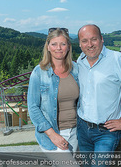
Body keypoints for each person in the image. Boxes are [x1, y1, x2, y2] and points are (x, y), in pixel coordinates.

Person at [76, 24, 121, 166]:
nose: (90, 45)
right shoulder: (80, 61)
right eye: (84, 41)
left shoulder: (117, 59)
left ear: (101, 39)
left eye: (93, 39)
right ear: (80, 44)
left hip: (105, 132)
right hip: (82, 128)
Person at [28, 27, 80, 167]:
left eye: (63, 44)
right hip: (52, 135)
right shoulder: (39, 73)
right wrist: (53, 135)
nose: (59, 48)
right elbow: (33, 107)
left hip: (76, 132)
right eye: (54, 44)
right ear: (48, 47)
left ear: (68, 47)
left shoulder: (76, 69)